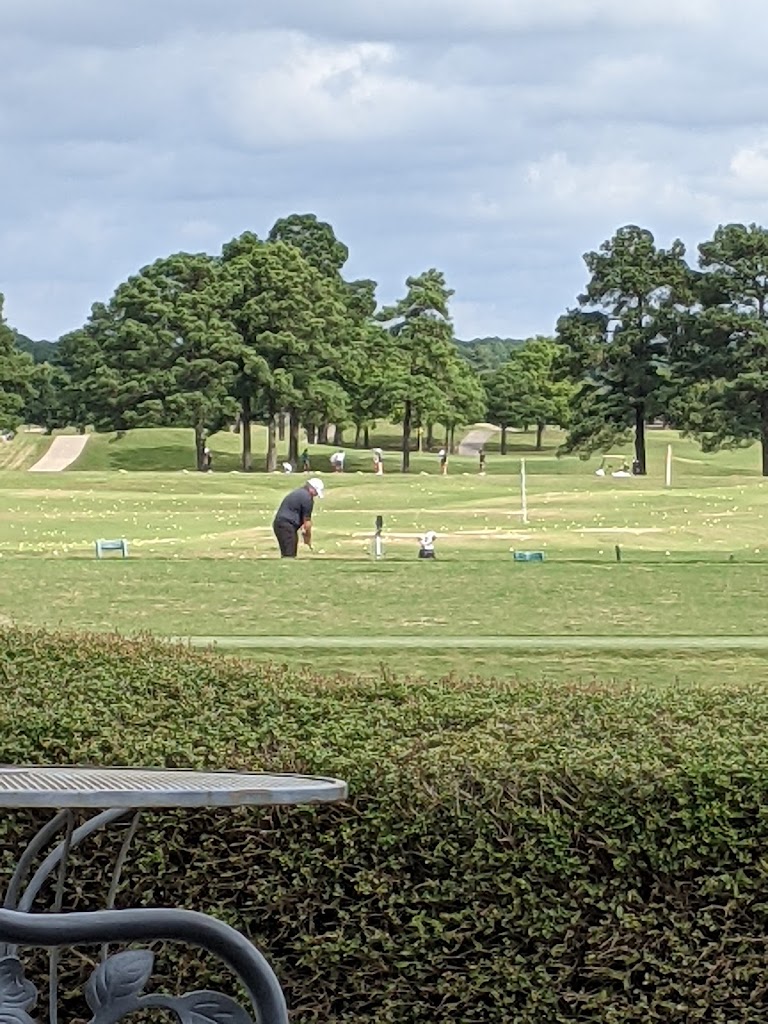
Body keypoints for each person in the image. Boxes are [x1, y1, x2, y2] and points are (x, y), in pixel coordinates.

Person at [272, 478, 324, 558]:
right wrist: (308, 539)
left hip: (280, 524)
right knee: (290, 554)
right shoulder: (307, 498)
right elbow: (307, 522)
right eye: (316, 492)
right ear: (311, 488)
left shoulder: (299, 492)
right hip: (287, 525)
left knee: (287, 552)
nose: (316, 495)